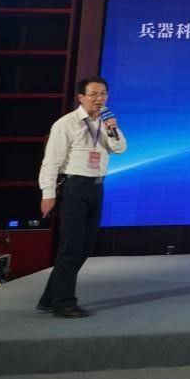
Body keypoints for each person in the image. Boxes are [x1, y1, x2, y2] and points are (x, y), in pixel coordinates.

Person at [36, 76, 127, 317]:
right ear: (81, 97)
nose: (99, 99)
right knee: (71, 245)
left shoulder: (106, 122)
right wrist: (48, 194)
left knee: (85, 246)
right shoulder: (66, 124)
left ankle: (49, 298)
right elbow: (51, 162)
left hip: (97, 187)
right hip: (74, 187)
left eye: (103, 94)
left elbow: (120, 149)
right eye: (94, 94)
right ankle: (64, 302)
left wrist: (112, 129)